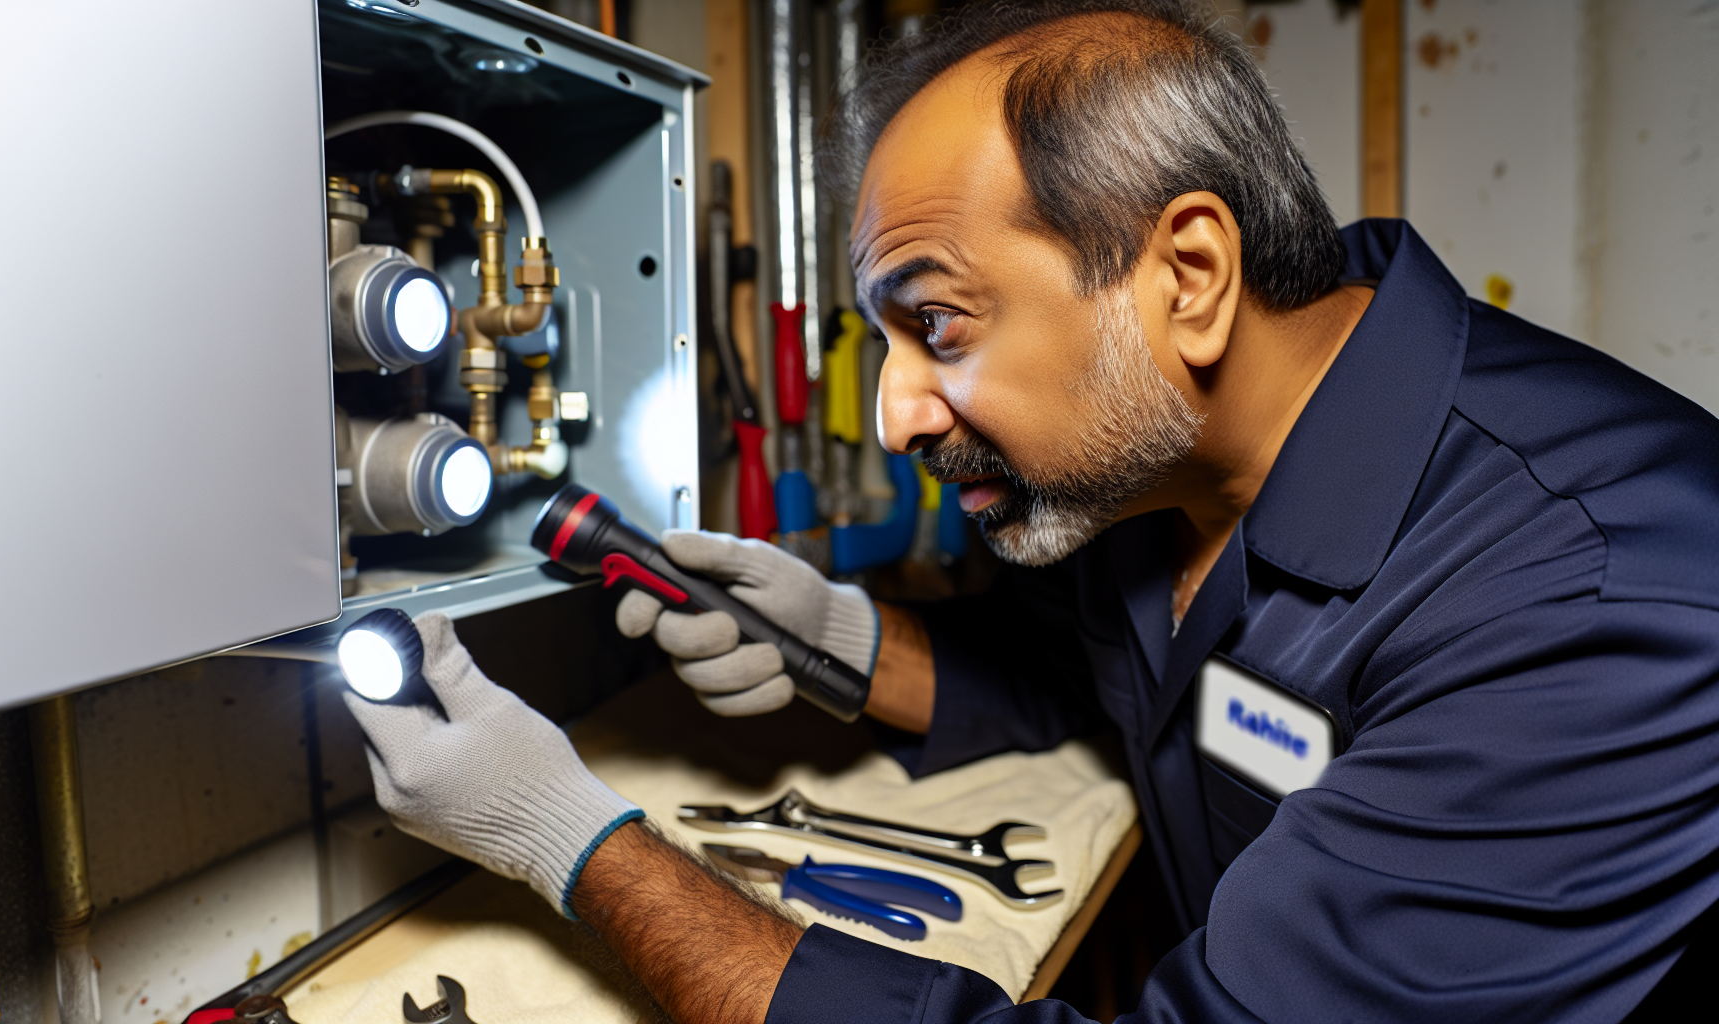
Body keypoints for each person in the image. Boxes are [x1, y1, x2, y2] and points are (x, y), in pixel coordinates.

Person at [345, 1, 1719, 1020]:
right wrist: (841, 642)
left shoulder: (1593, 608)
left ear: (1187, 275)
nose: (891, 414)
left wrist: (576, 844)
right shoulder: (1182, 455)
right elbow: (1107, 679)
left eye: (935, 324)